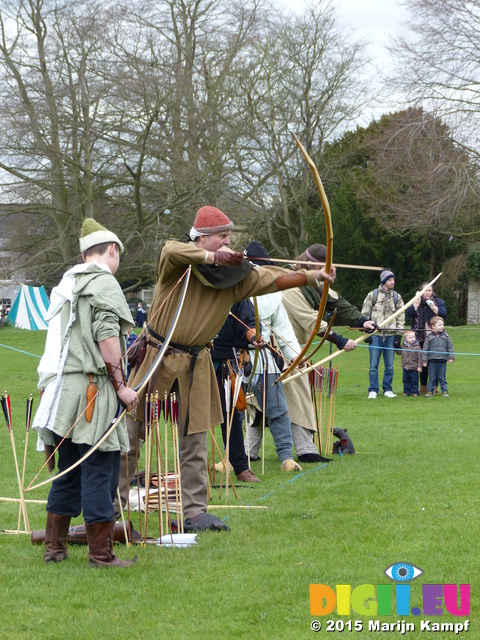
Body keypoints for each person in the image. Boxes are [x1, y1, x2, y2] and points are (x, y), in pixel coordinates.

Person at [115, 206, 334, 532]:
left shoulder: (234, 278)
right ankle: (111, 507)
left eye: (230, 236)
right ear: (202, 238)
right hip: (157, 357)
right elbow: (170, 248)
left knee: (195, 441)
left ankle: (194, 512)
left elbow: (272, 277)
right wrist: (213, 258)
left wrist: (314, 276)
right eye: (222, 236)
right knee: (132, 435)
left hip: (196, 364)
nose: (229, 241)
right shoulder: (177, 265)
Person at [32, 218, 138, 568]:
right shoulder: (102, 282)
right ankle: (100, 556)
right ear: (111, 250)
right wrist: (122, 387)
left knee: (70, 469)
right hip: (92, 393)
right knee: (99, 469)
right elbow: (107, 337)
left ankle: (55, 549)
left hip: (65, 391)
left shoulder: (68, 283)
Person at [280, 244, 376, 460]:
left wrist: (362, 321)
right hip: (280, 348)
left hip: (296, 349)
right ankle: (305, 451)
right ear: (310, 264)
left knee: (266, 403)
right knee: (284, 399)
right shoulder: (291, 284)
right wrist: (340, 340)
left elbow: (337, 303)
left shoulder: (315, 283)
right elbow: (312, 322)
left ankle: (250, 453)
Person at [210, 300, 262, 482]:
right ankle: (191, 468)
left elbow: (248, 323)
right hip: (196, 359)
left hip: (225, 365)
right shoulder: (197, 285)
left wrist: (254, 337)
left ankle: (240, 467)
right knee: (195, 416)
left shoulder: (235, 291)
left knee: (231, 416)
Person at [361, 270, 405, 399]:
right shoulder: (373, 295)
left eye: (393, 280)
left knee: (390, 366)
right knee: (373, 365)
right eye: (390, 280)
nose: (392, 282)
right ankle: (373, 390)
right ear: (384, 280)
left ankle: (388, 389)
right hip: (375, 335)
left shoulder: (397, 297)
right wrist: (367, 332)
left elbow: (401, 316)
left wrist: (399, 334)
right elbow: (365, 314)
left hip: (391, 335)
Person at [406, 283, 447, 394]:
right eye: (425, 290)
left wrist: (433, 307)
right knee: (422, 362)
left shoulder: (437, 301)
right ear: (420, 291)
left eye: (430, 290)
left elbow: (444, 315)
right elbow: (409, 313)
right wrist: (416, 303)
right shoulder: (416, 301)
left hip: (434, 337)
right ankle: (423, 386)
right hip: (419, 337)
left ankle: (434, 387)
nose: (428, 292)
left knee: (433, 361)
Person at [422, 316, 454, 398]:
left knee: (442, 377)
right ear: (433, 326)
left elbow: (450, 347)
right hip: (432, 361)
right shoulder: (429, 337)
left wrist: (451, 357)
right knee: (432, 377)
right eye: (439, 325)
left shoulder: (446, 336)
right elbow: (425, 350)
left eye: (442, 325)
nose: (442, 327)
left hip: (442, 360)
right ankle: (429, 391)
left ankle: (445, 391)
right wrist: (424, 361)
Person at [395, 329, 423, 396]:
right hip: (405, 367)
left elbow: (420, 358)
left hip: (414, 368)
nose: (413, 339)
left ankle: (415, 392)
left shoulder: (417, 347)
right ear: (406, 339)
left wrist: (419, 366)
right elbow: (399, 352)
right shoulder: (403, 346)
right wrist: (396, 347)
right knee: (406, 381)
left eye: (414, 337)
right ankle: (406, 392)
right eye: (410, 338)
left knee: (414, 381)